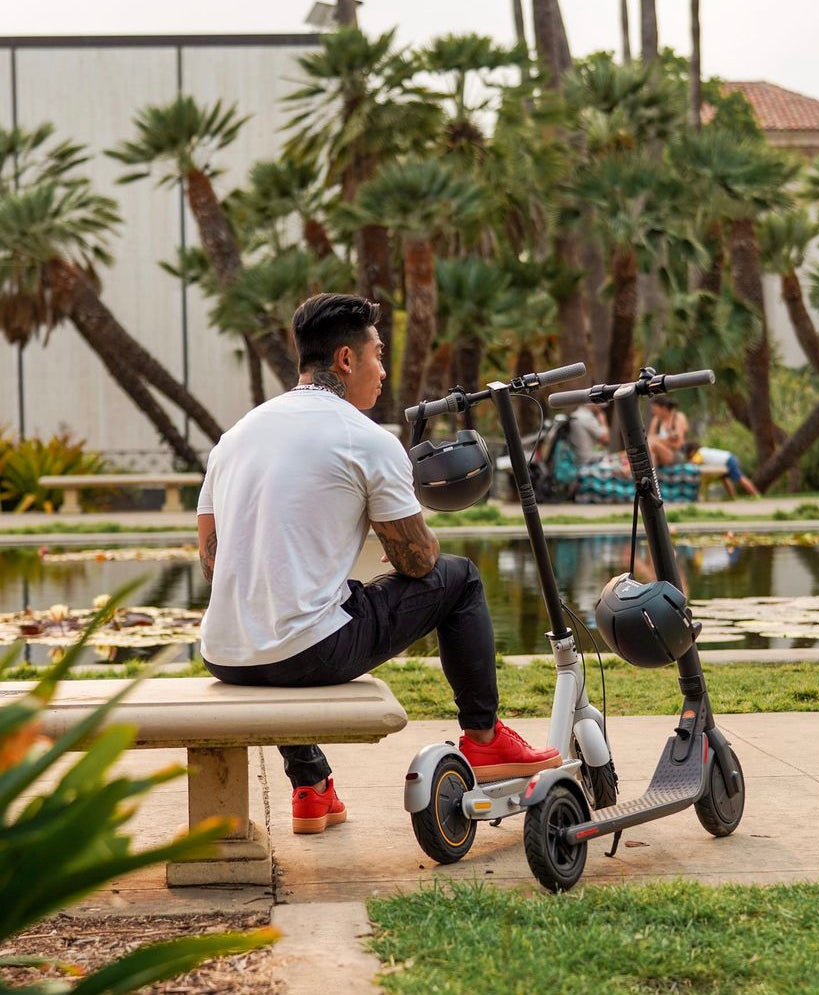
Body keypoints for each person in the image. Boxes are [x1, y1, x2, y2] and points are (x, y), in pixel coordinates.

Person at [196, 293, 562, 835]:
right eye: (378, 355)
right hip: (310, 654)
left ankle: (311, 788)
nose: (384, 371)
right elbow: (418, 564)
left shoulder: (236, 437)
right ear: (346, 360)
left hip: (224, 652)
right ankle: (484, 739)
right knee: (459, 579)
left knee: (289, 612)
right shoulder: (366, 439)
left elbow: (212, 560)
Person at [686, 441, 760, 498]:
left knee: (739, 478)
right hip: (727, 459)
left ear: (692, 451)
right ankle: (733, 497)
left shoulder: (699, 453)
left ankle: (755, 494)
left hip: (728, 460)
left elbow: (692, 463)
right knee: (724, 479)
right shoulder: (703, 451)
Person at [647, 396, 689, 467]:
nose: (653, 412)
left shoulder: (678, 418)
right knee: (651, 447)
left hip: (676, 454)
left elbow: (678, 444)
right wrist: (667, 440)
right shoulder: (656, 420)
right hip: (658, 454)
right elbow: (649, 440)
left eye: (655, 409)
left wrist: (658, 440)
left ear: (663, 409)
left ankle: (651, 473)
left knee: (654, 445)